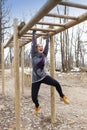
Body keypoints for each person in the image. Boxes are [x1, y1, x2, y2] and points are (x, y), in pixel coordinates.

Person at [31, 30, 70, 114]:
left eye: (41, 46)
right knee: (33, 98)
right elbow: (33, 44)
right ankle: (37, 106)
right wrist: (33, 34)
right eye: (39, 46)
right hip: (35, 79)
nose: (41, 47)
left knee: (56, 83)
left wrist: (47, 37)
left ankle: (62, 96)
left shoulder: (44, 55)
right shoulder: (33, 55)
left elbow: (47, 46)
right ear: (36, 49)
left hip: (44, 76)